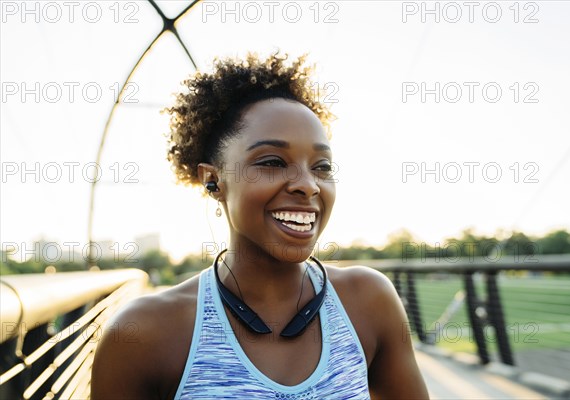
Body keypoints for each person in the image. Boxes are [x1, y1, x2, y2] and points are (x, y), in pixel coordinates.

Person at [91, 52, 429, 399]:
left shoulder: (370, 301)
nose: (309, 185)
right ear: (213, 180)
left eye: (322, 166)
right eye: (272, 162)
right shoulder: (144, 333)